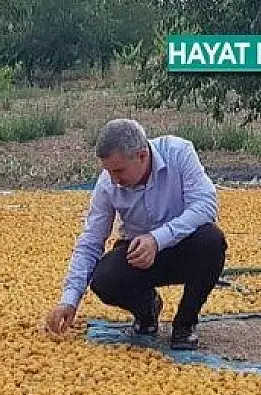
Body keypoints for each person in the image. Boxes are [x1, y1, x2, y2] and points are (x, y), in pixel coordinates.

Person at [44, 118, 227, 350]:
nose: (114, 179)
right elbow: (91, 241)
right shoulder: (107, 184)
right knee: (104, 279)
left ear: (142, 156)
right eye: (108, 171)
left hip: (184, 248)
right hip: (139, 256)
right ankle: (147, 309)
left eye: (119, 170)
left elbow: (205, 205)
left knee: (212, 241)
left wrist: (157, 239)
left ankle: (185, 324)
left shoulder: (179, 153)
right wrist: (69, 300)